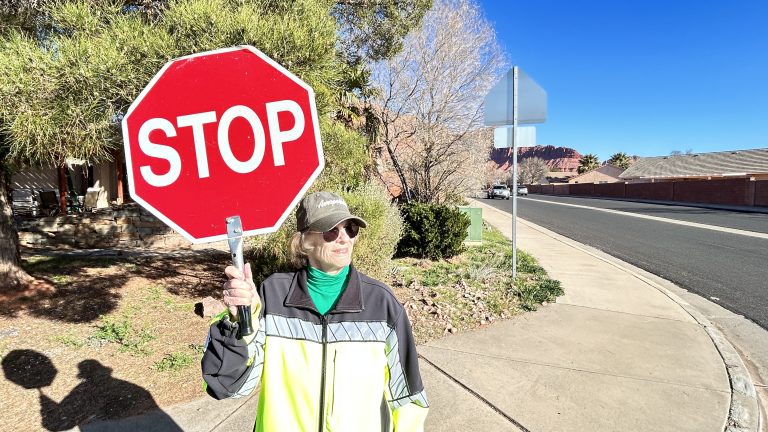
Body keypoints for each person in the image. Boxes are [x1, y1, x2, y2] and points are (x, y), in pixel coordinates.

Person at [201, 191, 429, 431]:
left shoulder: (382, 304)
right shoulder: (273, 295)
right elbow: (228, 386)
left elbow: (408, 399)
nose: (344, 238)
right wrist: (239, 320)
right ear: (304, 242)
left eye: (350, 228)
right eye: (331, 230)